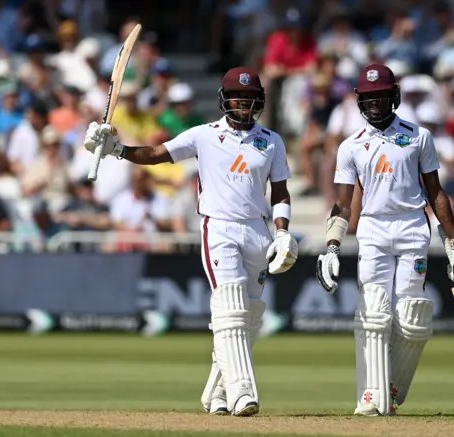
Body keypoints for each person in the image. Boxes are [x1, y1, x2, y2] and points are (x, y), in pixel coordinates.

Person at [83, 67, 298, 417]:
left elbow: (281, 191)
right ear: (225, 100)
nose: (243, 106)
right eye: (237, 99)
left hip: (259, 231)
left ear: (259, 101)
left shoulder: (271, 140)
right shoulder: (204, 135)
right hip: (220, 228)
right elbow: (155, 154)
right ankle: (243, 393)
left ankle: (216, 394)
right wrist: (117, 149)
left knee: (250, 317)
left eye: (249, 100)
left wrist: (284, 230)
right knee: (230, 308)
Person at [315, 64, 454, 417]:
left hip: (413, 228)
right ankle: (371, 396)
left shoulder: (419, 137)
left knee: (409, 315)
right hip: (372, 229)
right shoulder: (350, 146)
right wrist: (332, 246)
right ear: (359, 100)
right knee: (373, 311)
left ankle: (390, 390)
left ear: (395, 96)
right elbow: (342, 203)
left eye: (381, 95)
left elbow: (436, 192)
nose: (375, 103)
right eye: (368, 97)